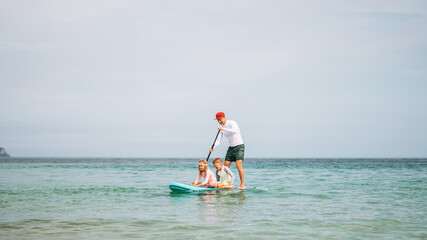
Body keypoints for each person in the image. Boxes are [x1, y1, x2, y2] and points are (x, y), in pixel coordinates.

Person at [209, 112, 245, 189]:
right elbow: (218, 140)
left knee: (238, 165)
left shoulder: (232, 123)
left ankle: (242, 185)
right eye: (218, 120)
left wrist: (224, 128)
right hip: (231, 148)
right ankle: (225, 183)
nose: (219, 121)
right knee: (225, 167)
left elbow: (235, 131)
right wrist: (213, 147)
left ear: (224, 117)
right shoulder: (221, 129)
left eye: (220, 119)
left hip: (239, 146)